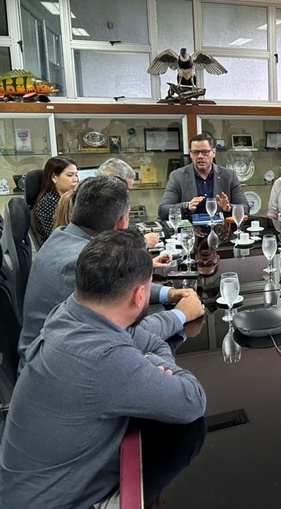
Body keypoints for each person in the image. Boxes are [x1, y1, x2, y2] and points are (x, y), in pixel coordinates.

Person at [0, 229, 207, 508]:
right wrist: (155, 363)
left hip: (28, 488)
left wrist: (160, 340)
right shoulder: (103, 357)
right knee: (187, 436)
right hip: (59, 503)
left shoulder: (69, 312)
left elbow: (139, 334)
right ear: (139, 296)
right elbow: (192, 399)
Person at [18, 175, 199, 374]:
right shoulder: (79, 263)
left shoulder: (62, 236)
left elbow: (119, 284)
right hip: (55, 374)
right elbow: (122, 334)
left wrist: (168, 293)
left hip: (54, 359)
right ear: (121, 223)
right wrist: (180, 315)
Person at [158, 133, 249, 220]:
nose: (200, 156)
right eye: (195, 152)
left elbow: (245, 209)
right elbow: (163, 211)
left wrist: (229, 208)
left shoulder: (229, 176)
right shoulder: (177, 176)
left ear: (213, 152)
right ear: (190, 153)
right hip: (190, 232)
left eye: (205, 152)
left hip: (221, 231)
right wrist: (186, 206)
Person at [98, 158, 159, 248]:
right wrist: (143, 243)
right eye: (125, 190)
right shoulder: (99, 207)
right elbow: (112, 249)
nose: (127, 195)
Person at [34, 155, 78, 243]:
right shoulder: (47, 204)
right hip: (61, 251)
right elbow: (59, 238)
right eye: (70, 175)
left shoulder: (73, 198)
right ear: (54, 177)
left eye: (76, 175)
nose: (75, 179)